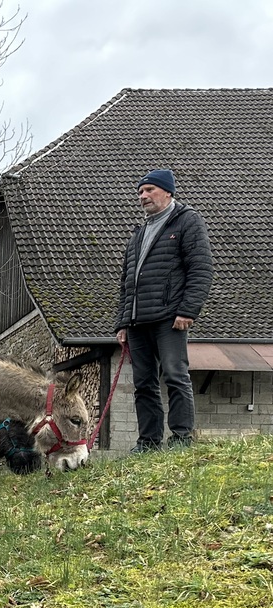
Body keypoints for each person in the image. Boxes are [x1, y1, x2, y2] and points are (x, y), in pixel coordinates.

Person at [115, 168, 214, 453]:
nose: (143, 196)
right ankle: (148, 442)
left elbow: (201, 269)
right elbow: (127, 283)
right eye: (140, 192)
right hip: (137, 322)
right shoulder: (138, 234)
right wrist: (122, 323)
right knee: (143, 384)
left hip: (170, 318)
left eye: (150, 190)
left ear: (168, 192)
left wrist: (188, 310)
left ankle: (181, 438)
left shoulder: (187, 221)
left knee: (175, 375)